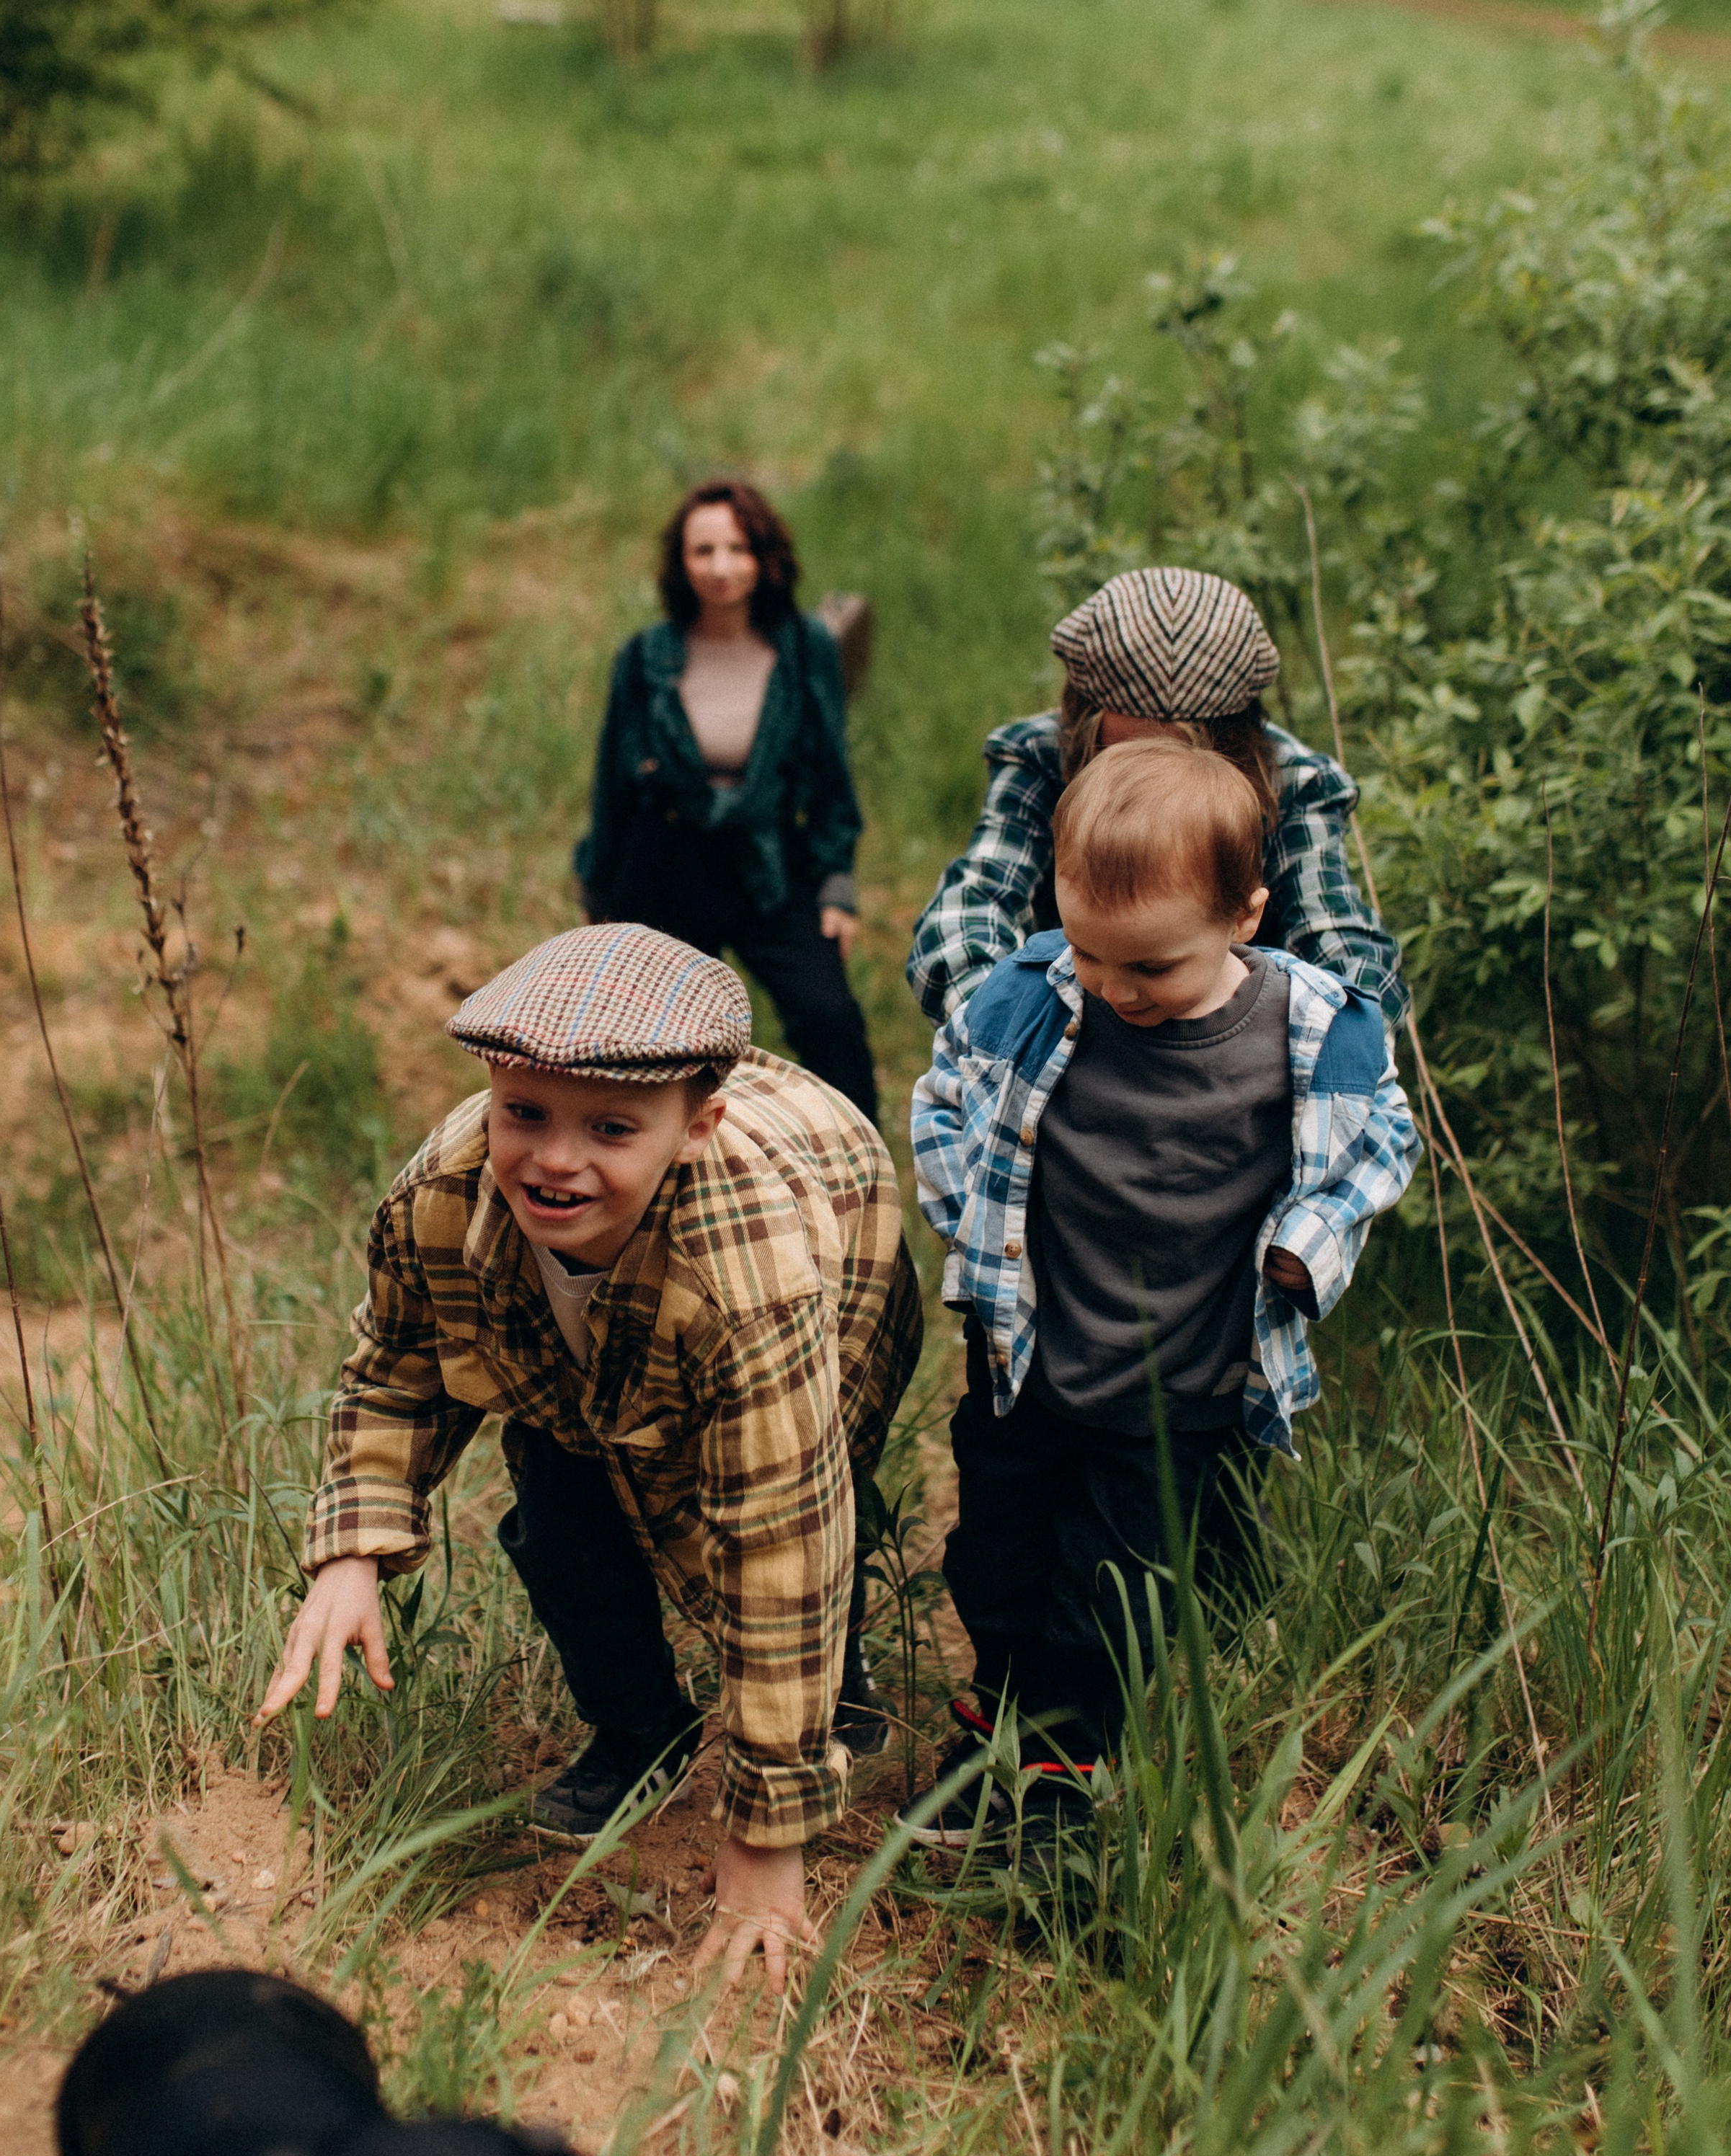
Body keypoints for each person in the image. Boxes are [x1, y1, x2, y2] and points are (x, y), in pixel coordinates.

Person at [259, 923, 924, 1993]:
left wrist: (764, 1842)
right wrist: (353, 1553)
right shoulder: (441, 1196)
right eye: (524, 1113)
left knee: (775, 1527)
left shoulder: (759, 1276)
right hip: (563, 1356)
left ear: (697, 1124)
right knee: (562, 1507)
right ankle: (639, 1727)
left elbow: (783, 1529)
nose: (556, 1159)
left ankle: (827, 1695)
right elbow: (398, 1367)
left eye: (611, 1128)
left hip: (839, 1264)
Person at [906, 739, 1419, 1849]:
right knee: (994, 1560)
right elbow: (946, 1093)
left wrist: (1310, 1239)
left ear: (1246, 916)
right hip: (1030, 1361)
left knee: (1110, 1592)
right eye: (1090, 953)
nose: (1111, 988)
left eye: (1149, 969)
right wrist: (966, 1215)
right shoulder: (1032, 995)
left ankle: (1056, 1776)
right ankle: (994, 1716)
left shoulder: (1308, 1030)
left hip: (1177, 1386)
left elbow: (1380, 1138)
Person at [906, 566, 1407, 1033]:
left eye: (1182, 748)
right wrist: (1018, 1036)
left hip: (1233, 1041)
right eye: (1126, 750)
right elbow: (966, 915)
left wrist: (1300, 1058)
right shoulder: (1042, 756)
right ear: (1084, 708)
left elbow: (1345, 949)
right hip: (1070, 1022)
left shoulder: (1293, 783)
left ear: (1235, 733)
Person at [575, 479, 880, 1125]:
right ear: (680, 563)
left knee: (832, 1022)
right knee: (651, 1044)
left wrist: (836, 884)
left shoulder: (804, 648)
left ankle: (859, 1184)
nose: (720, 567)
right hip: (665, 855)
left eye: (737, 548)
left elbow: (831, 770)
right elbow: (613, 782)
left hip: (770, 855)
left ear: (765, 556)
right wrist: (600, 894)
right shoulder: (647, 655)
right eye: (702, 550)